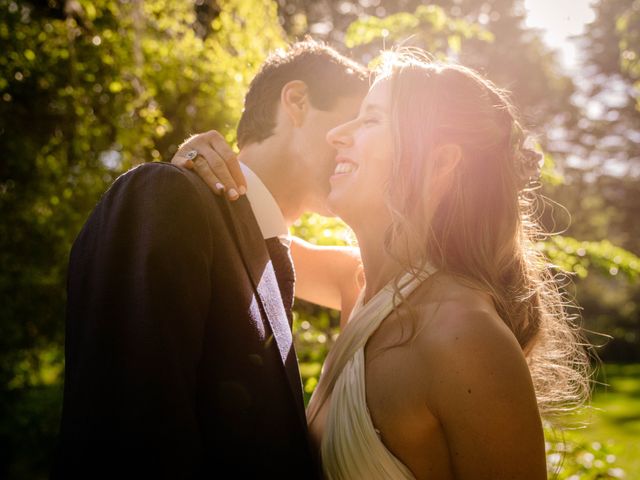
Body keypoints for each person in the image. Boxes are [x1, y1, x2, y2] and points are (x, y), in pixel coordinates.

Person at [184, 50, 591, 479]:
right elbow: (246, 229)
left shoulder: (462, 336)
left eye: (371, 120)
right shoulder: (356, 284)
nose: (338, 134)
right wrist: (202, 168)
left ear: (439, 163)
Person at [51, 39, 368, 479]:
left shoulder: (273, 256)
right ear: (296, 101)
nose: (359, 145)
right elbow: (125, 433)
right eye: (354, 123)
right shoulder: (166, 194)